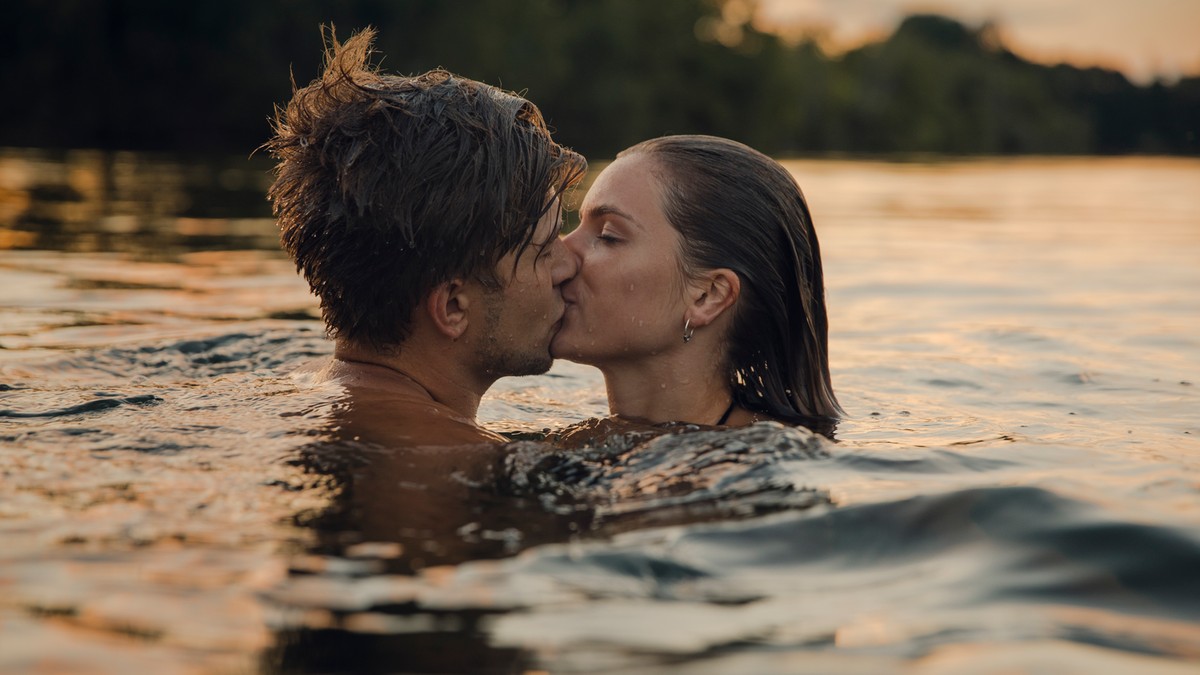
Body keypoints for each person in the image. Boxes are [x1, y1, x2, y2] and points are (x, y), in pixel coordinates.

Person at [264, 27, 586, 451]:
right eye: (545, 251)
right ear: (453, 307)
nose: (571, 264)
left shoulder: (297, 386)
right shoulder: (439, 455)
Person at [551, 135, 841, 434]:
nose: (561, 253)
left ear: (708, 296)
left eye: (608, 236)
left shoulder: (735, 469)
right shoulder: (594, 440)